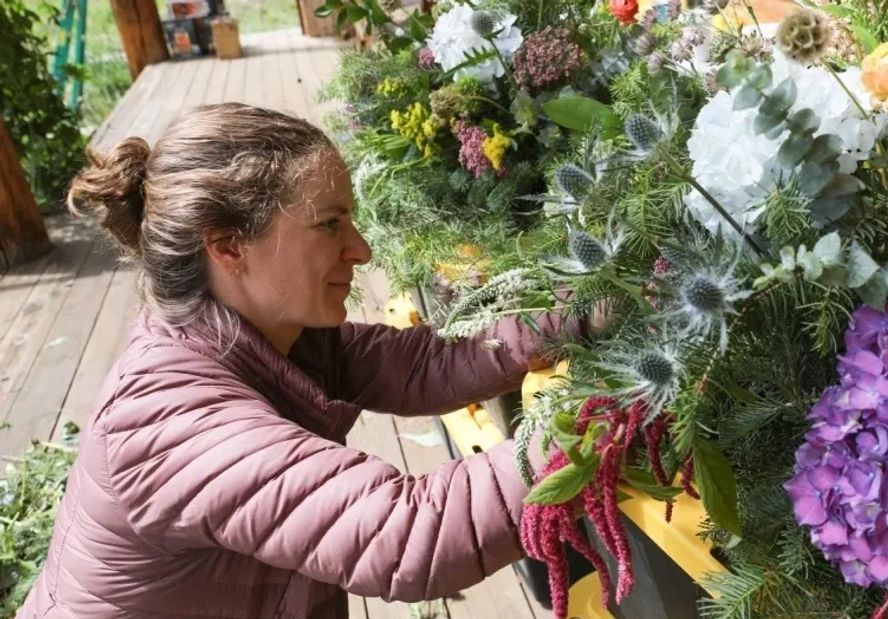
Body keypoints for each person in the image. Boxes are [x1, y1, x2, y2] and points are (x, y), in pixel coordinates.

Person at [18, 103, 582, 619]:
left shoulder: (273, 338)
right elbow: (410, 533)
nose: (361, 250)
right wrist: (603, 412)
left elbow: (428, 363)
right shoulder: (166, 419)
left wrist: (587, 312)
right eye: (330, 223)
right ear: (228, 247)